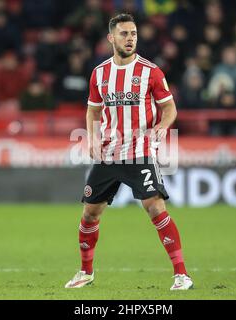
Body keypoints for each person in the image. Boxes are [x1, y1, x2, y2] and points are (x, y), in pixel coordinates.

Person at [65, 13, 193, 291]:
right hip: (109, 155)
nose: (130, 38)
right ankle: (85, 272)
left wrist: (162, 125)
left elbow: (170, 108)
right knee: (89, 214)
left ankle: (181, 275)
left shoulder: (151, 72)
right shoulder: (99, 73)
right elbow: (93, 110)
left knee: (155, 207)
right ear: (111, 38)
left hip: (140, 151)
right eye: (124, 34)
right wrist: (93, 138)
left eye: (133, 33)